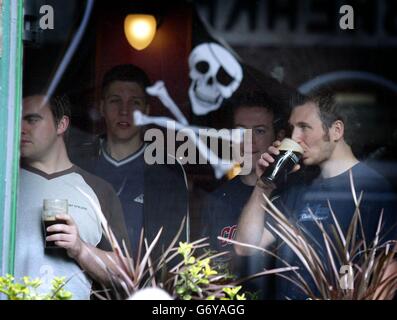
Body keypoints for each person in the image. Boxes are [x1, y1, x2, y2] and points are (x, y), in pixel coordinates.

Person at [235, 91, 397, 300]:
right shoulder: (297, 188)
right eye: (293, 128)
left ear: (336, 131)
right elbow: (246, 247)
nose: (294, 138)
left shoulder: (373, 188)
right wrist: (262, 186)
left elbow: (389, 274)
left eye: (304, 127)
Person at [16, 94, 130, 300]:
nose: (21, 128)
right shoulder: (6, 184)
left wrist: (79, 248)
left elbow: (125, 277)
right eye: (18, 119)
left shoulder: (98, 190)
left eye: (32, 120)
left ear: (61, 124)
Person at [78, 64, 188, 256]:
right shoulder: (80, 162)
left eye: (134, 102)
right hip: (82, 282)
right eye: (115, 101)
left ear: (146, 111)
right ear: (102, 107)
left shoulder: (166, 168)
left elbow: (177, 249)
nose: (124, 111)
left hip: (145, 284)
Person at [200, 90, 287, 298]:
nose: (248, 141)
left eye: (259, 131)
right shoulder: (216, 199)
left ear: (279, 138)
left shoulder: (292, 195)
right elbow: (207, 270)